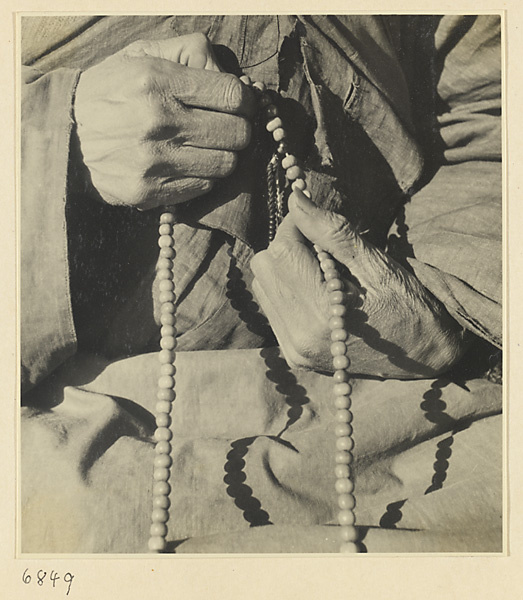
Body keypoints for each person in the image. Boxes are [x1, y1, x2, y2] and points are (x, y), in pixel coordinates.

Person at [21, 15, 502, 553]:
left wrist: (443, 308)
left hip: (412, 388)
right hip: (94, 419)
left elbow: (492, 109)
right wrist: (53, 137)